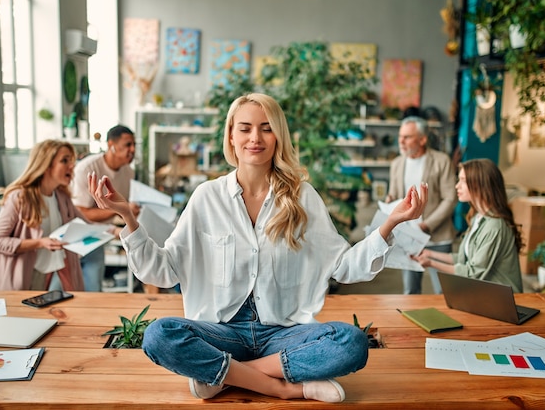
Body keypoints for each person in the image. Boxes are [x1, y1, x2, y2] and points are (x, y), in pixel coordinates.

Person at [87, 93, 428, 403]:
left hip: (282, 333)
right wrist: (127, 217)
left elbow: (343, 266)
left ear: (278, 136)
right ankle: (285, 387)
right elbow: (162, 271)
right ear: (231, 136)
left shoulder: (302, 197)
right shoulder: (207, 198)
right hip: (221, 331)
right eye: (246, 128)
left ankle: (228, 375)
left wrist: (390, 224)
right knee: (159, 336)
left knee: (351, 343)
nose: (255, 138)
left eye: (266, 128)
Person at [412, 158, 524, 293]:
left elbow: (472, 273)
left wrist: (431, 263)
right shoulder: (478, 217)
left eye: (463, 181)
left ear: (480, 185)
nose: (456, 186)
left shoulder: (494, 226)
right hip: (486, 296)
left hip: (503, 301)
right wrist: (429, 253)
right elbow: (462, 259)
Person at [0, 139, 85, 291]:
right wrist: (40, 243)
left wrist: (117, 229)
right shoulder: (20, 197)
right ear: (46, 165)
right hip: (22, 278)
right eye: (64, 160)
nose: (72, 166)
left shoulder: (61, 197)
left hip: (49, 274)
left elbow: (85, 223)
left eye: (72, 160)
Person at [386, 116, 457, 294]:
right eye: (400, 136)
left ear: (423, 139)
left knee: (444, 292)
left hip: (438, 236)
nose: (401, 141)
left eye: (407, 137)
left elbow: (450, 198)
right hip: (408, 237)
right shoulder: (396, 164)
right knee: (410, 291)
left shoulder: (442, 161)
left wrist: (427, 225)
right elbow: (394, 194)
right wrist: (389, 200)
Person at [71, 124, 140, 291]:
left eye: (134, 145)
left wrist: (131, 210)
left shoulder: (129, 172)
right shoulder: (87, 168)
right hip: (79, 236)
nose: (132, 150)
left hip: (105, 234)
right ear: (111, 145)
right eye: (127, 145)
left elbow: (125, 208)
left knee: (94, 287)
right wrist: (119, 209)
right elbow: (81, 212)